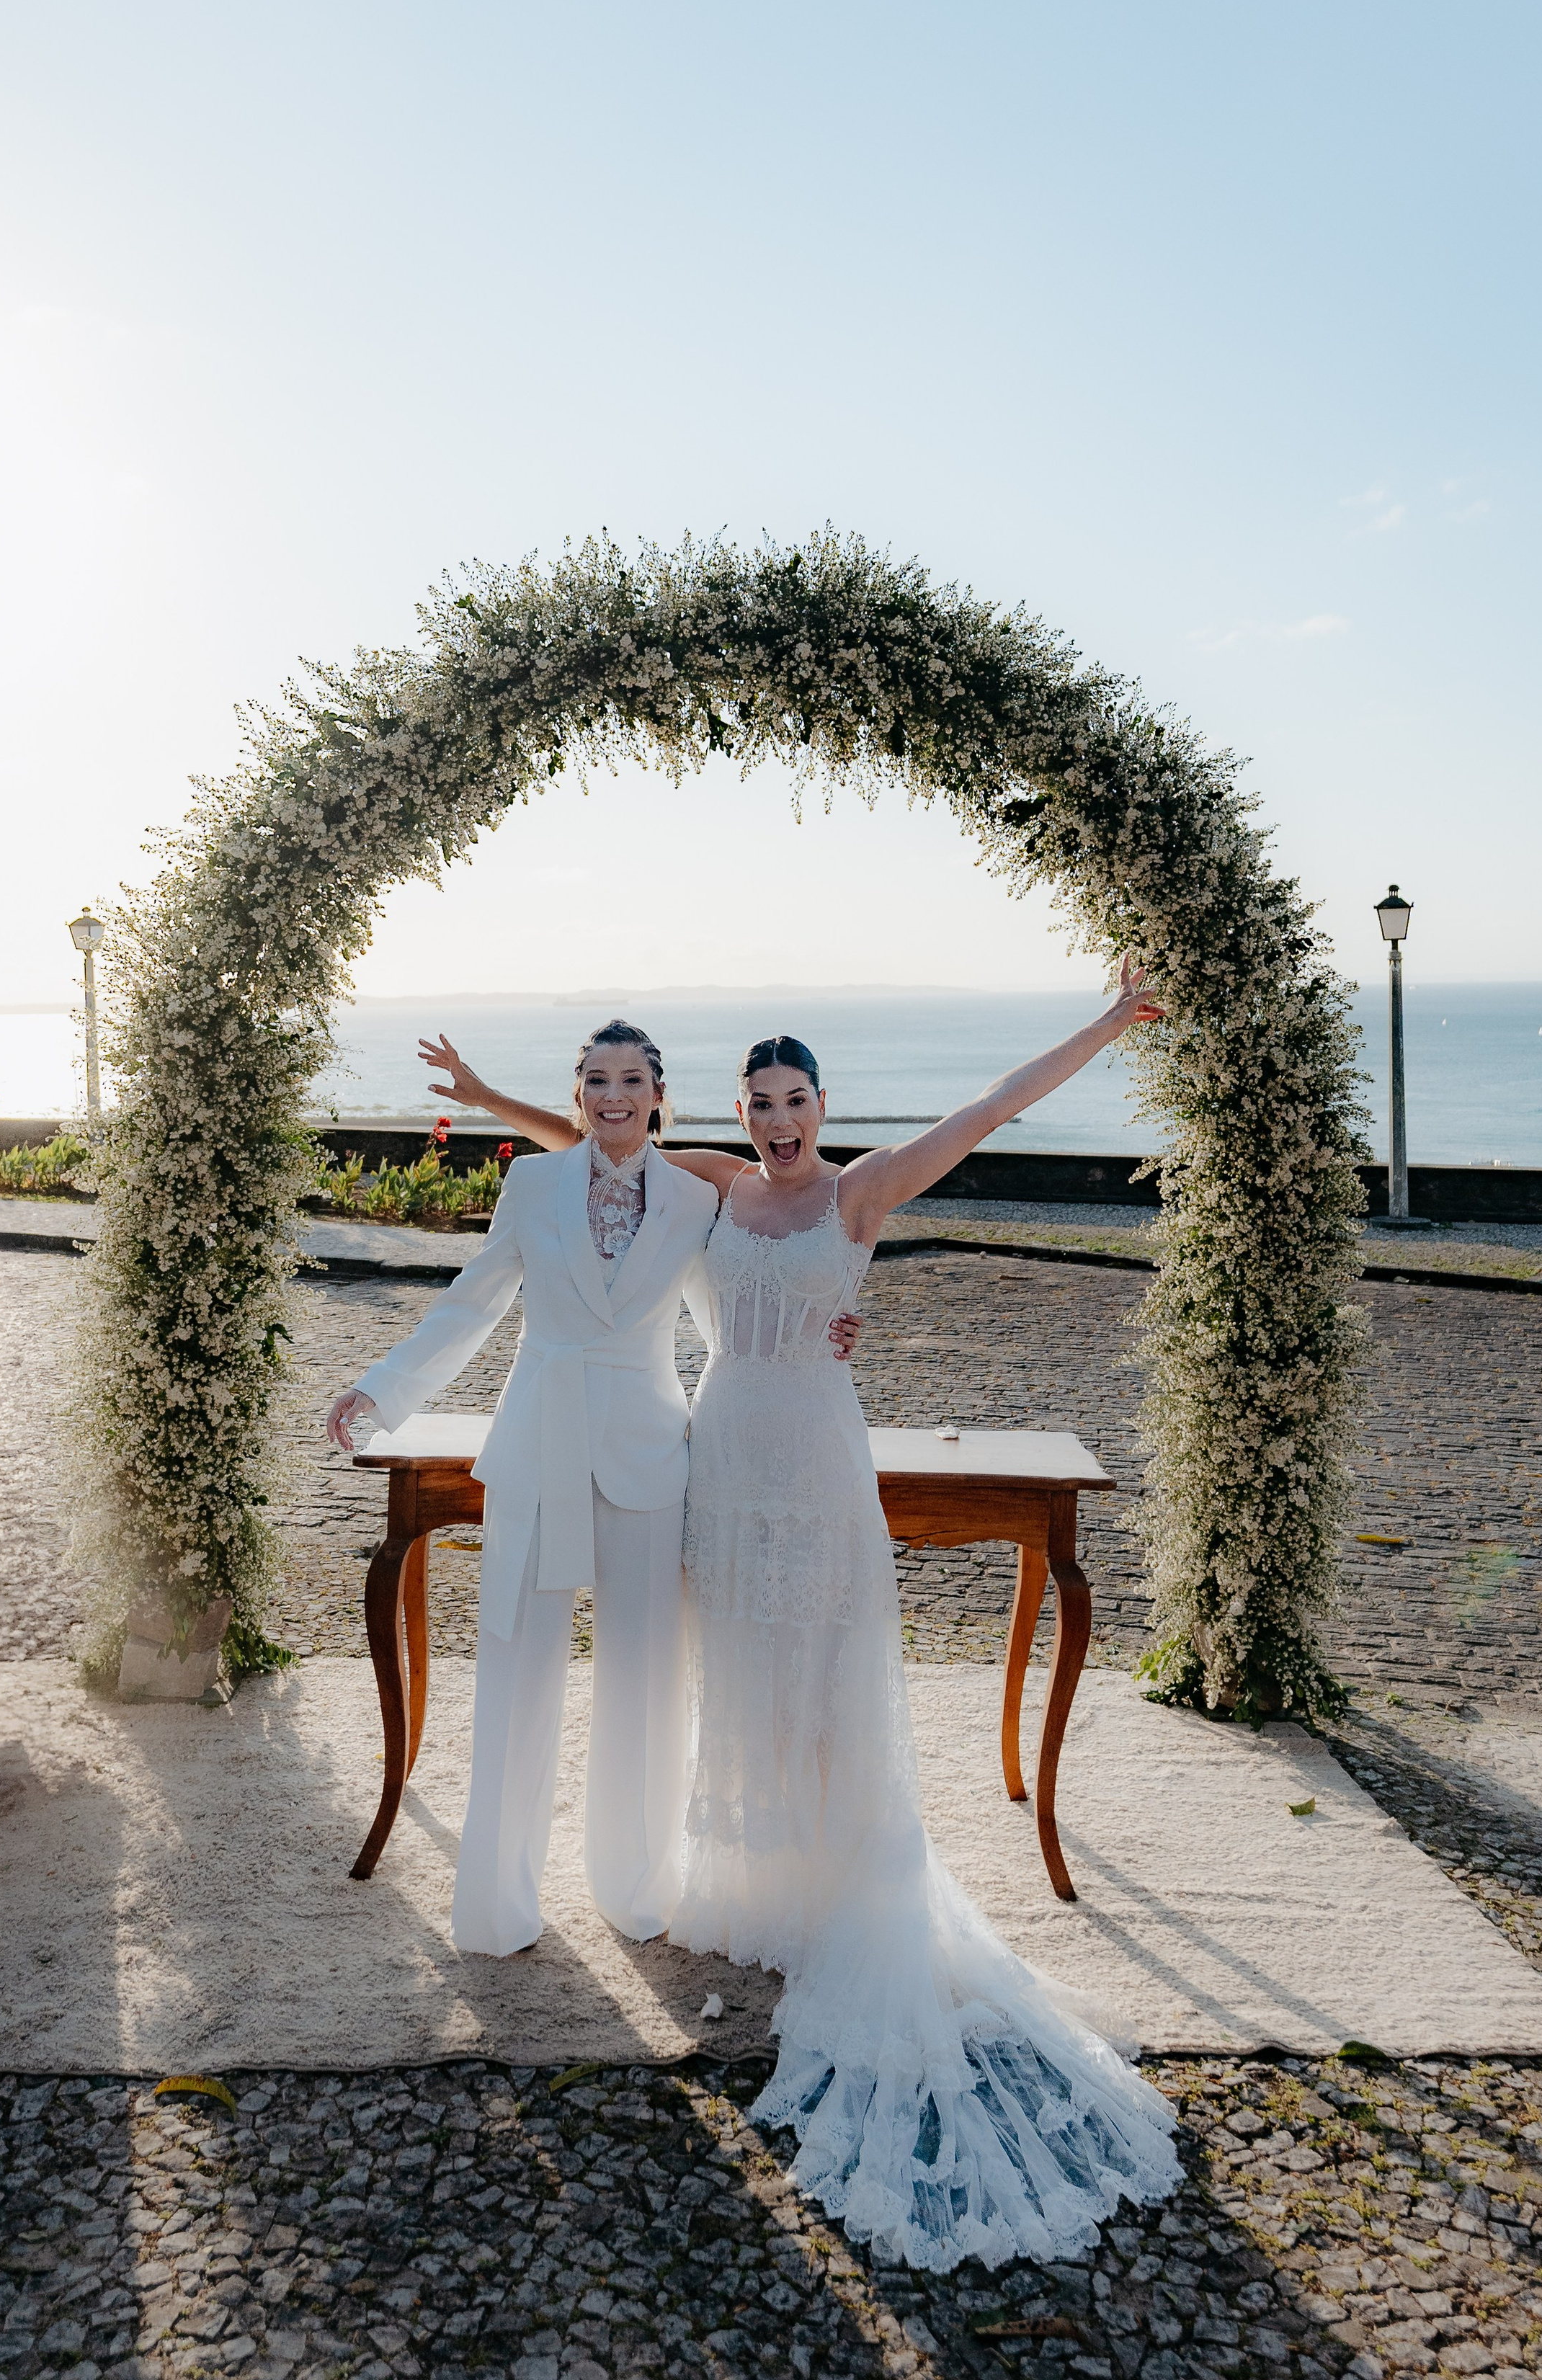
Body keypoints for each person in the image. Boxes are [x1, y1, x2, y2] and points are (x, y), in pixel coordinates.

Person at [464, 963, 1182, 2270]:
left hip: (816, 1458)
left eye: (794, 1099)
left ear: (823, 1104)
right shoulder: (723, 1186)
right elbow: (594, 1141)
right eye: (759, 1102)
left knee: (829, 1678)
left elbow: (993, 1107)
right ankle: (753, 1878)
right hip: (720, 1453)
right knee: (732, 1670)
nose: (777, 1119)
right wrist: (486, 1096)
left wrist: (1109, 1023)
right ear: (736, 1111)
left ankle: (839, 1883)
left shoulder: (863, 1190)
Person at [324, 1022, 861, 1958]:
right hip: (536, 1445)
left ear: (660, 1095)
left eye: (632, 1080)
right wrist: (382, 1387)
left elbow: (734, 1308)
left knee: (647, 1687)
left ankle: (636, 1891)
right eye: (597, 1081)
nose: (614, 1096)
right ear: (579, 1096)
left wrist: (826, 1327)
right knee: (515, 1676)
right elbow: (472, 1303)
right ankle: (496, 1907)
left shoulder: (699, 1200)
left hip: (652, 1458)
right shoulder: (531, 1186)